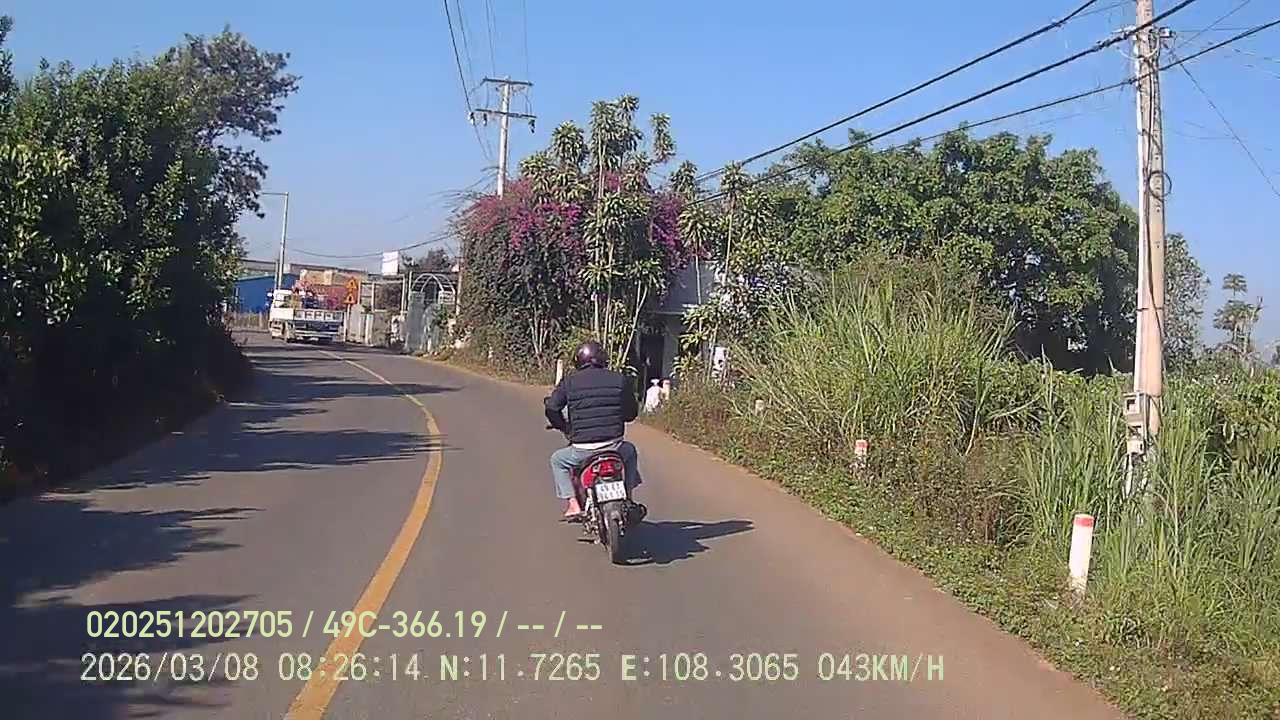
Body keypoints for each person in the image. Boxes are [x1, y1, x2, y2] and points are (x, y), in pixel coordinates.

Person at [544, 340, 642, 518]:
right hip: (614, 446)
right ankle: (628, 497)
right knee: (631, 451)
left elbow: (552, 407)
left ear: (579, 360)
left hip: (582, 448)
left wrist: (563, 426)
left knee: (558, 460)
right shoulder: (619, 379)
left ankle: (573, 505)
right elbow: (631, 412)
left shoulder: (570, 381)